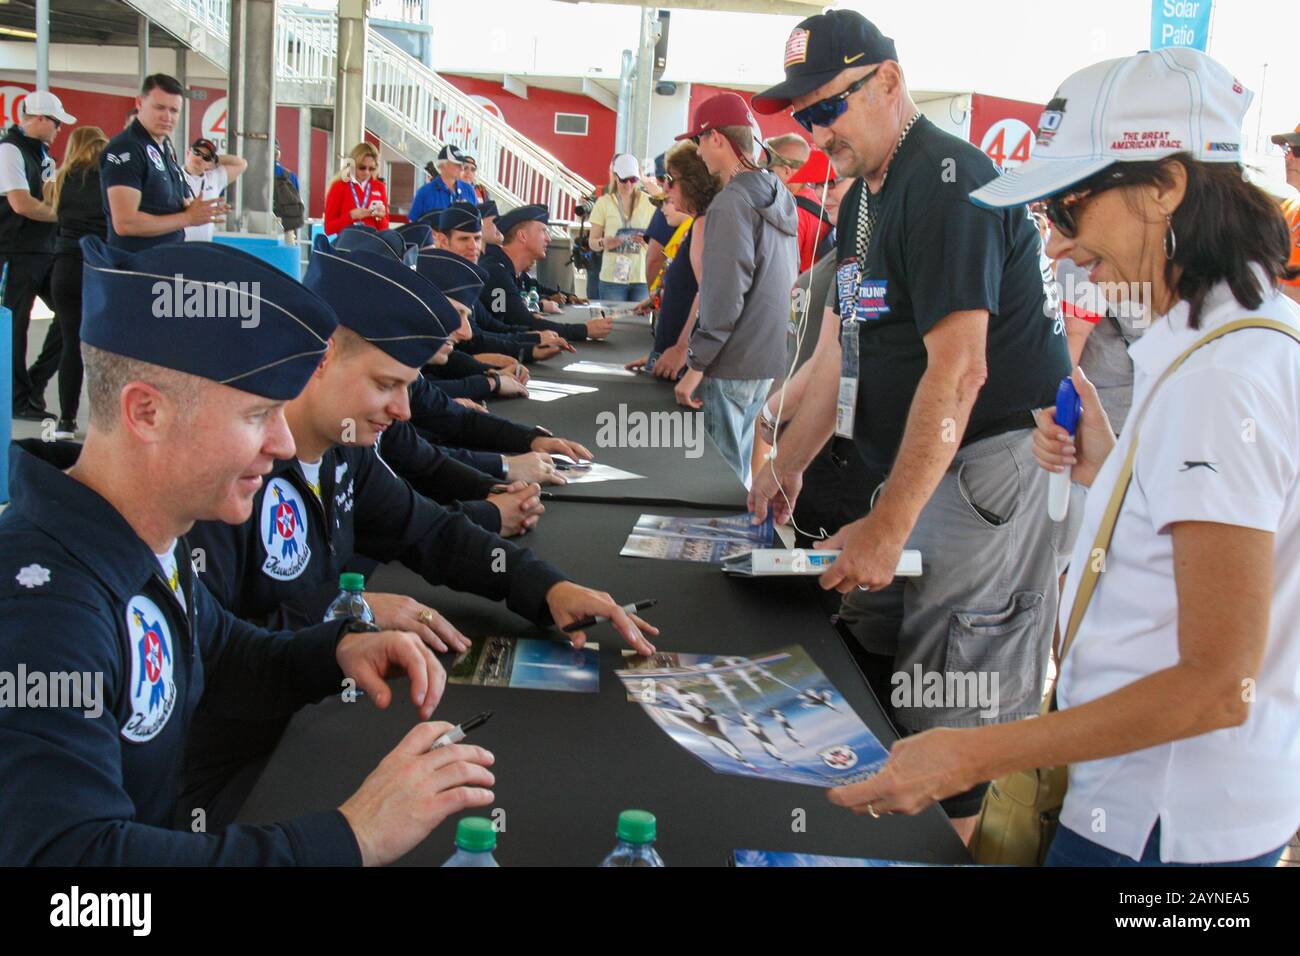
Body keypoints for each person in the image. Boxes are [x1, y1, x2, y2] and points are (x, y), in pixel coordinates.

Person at [831, 49, 1300, 869]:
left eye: (1066, 211)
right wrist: (1109, 469)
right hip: (1157, 805)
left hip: (1161, 824)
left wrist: (976, 753)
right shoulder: (1225, 341)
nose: (1056, 248)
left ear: (1165, 186)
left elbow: (1218, 682)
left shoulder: (1223, 378)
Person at [0, 238, 495, 866]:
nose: (284, 443)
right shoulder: (42, 608)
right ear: (146, 412)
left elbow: (219, 651)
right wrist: (352, 838)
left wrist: (336, 649)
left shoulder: (139, 534)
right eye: (259, 413)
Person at [183, 235, 657, 821]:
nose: (406, 410)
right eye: (387, 384)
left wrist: (547, 589)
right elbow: (212, 648)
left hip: (314, 716)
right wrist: (346, 608)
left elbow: (429, 533)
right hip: (239, 767)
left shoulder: (343, 448)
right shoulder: (227, 476)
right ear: (323, 356)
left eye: (409, 386)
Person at [748, 10, 1073, 839]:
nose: (816, 131)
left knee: (950, 715)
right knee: (874, 662)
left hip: (988, 467)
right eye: (803, 116)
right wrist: (787, 466)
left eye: (830, 108)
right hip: (923, 469)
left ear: (889, 83)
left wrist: (890, 522)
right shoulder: (868, 198)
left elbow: (961, 369)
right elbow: (841, 356)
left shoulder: (946, 182)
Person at [671, 92, 798, 487]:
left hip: (732, 361)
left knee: (718, 484)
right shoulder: (780, 195)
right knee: (738, 475)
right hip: (768, 357)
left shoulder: (731, 203)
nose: (697, 151)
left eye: (698, 140)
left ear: (716, 138)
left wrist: (695, 367)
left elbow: (723, 297)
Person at [1, 89, 70, 419]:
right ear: (40, 120)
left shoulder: (42, 153)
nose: (59, 131)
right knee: (15, 326)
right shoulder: (10, 151)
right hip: (14, 251)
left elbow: (50, 198)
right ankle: (17, 399)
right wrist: (65, 216)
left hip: (44, 250)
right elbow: (21, 203)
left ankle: (33, 384)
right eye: (56, 124)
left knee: (72, 315)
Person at [625, 142, 719, 378]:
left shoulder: (703, 223)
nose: (664, 187)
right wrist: (660, 353)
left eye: (670, 178)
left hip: (683, 364)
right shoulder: (698, 222)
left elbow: (710, 297)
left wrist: (681, 349)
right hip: (675, 361)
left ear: (692, 182)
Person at [102, 74, 226, 251]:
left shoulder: (164, 145)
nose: (167, 117)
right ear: (139, 104)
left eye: (174, 110)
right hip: (137, 265)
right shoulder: (126, 148)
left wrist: (196, 209)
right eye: (159, 108)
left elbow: (174, 201)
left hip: (167, 259)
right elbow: (125, 223)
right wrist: (188, 218)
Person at [49, 124, 109, 439]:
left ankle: (66, 421)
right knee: (102, 348)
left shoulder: (61, 179)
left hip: (64, 268)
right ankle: (103, 423)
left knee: (70, 344)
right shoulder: (108, 181)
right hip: (96, 267)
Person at [480, 203, 612, 343]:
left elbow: (532, 291)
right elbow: (525, 322)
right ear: (522, 236)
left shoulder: (506, 268)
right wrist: (584, 330)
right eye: (543, 231)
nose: (548, 238)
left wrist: (568, 297)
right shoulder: (496, 272)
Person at [587, 154, 655, 302]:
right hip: (612, 278)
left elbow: (667, 204)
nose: (629, 184)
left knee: (639, 324)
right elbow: (592, 242)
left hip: (641, 278)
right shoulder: (604, 203)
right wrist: (605, 243)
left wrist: (646, 241)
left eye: (633, 179)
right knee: (613, 324)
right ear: (616, 177)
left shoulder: (649, 202)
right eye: (624, 180)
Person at [766, 133, 833, 272]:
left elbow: (782, 270)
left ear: (786, 171)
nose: (767, 178)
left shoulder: (793, 212)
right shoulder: (819, 199)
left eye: (770, 171)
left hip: (800, 291)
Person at [181, 138, 247, 242]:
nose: (200, 158)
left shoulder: (214, 178)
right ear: (188, 152)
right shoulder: (174, 175)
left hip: (204, 248)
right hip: (176, 246)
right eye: (197, 152)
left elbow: (242, 164)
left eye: (206, 157)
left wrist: (216, 159)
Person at [323, 141, 389, 235]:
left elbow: (385, 228)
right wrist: (351, 216)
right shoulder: (339, 187)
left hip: (372, 244)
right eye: (362, 167)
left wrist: (380, 218)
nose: (366, 172)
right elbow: (328, 229)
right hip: (348, 245)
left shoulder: (379, 187)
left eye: (371, 169)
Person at [1268, 124, 1300, 304]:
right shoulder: (1288, 208)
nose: (1288, 157)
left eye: (1298, 151)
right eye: (1286, 149)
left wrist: (1264, 288)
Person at [409, 144, 476, 221]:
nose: (462, 168)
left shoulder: (469, 190)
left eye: (462, 165)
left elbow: (477, 222)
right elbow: (414, 224)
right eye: (457, 164)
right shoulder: (425, 193)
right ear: (443, 166)